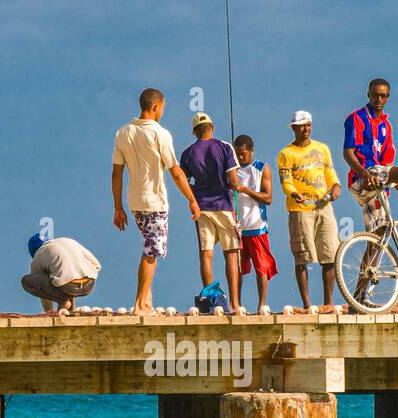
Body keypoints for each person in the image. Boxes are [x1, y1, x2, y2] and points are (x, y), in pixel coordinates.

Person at [111, 89, 200, 311]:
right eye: (162, 108)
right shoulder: (160, 134)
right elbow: (176, 171)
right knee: (152, 251)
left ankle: (147, 301)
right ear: (155, 107)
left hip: (134, 201)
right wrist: (191, 199)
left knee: (149, 246)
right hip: (154, 202)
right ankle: (140, 303)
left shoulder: (123, 133)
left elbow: (116, 173)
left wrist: (118, 208)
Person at [343, 78, 398, 253]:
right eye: (375, 95)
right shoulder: (357, 118)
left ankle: (364, 279)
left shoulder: (386, 126)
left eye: (383, 96)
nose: (379, 100)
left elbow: (387, 166)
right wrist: (364, 173)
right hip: (363, 177)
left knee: (378, 241)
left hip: (378, 183)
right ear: (368, 95)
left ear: (388, 97)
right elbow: (348, 152)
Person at [277, 110, 341, 310]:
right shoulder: (286, 154)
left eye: (308, 125)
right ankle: (307, 303)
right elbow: (286, 182)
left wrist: (336, 186)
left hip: (324, 205)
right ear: (294, 128)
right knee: (302, 256)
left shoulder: (322, 148)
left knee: (330, 253)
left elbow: (329, 172)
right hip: (300, 209)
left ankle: (328, 303)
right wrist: (294, 193)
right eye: (301, 126)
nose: (305, 129)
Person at [179, 113, 242, 312]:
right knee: (231, 254)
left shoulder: (188, 153)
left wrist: (193, 197)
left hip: (202, 208)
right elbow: (233, 180)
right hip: (224, 206)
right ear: (211, 127)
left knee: (206, 255)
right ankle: (234, 303)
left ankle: (211, 301)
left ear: (195, 131)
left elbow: (183, 179)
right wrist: (236, 185)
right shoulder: (224, 147)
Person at [230, 134, 277, 311]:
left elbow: (268, 198)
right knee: (237, 268)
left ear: (251, 151)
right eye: (237, 154)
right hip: (238, 229)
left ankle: (261, 304)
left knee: (262, 267)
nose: (240, 157)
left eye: (243, 154)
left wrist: (245, 189)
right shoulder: (232, 170)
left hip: (257, 226)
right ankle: (237, 304)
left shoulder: (262, 168)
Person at [21, 233, 101, 313]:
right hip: (89, 284)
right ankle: (70, 309)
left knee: (26, 281)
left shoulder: (38, 255)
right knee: (67, 274)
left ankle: (63, 301)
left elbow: (40, 286)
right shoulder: (68, 241)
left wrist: (48, 311)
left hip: (67, 286)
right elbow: (97, 265)